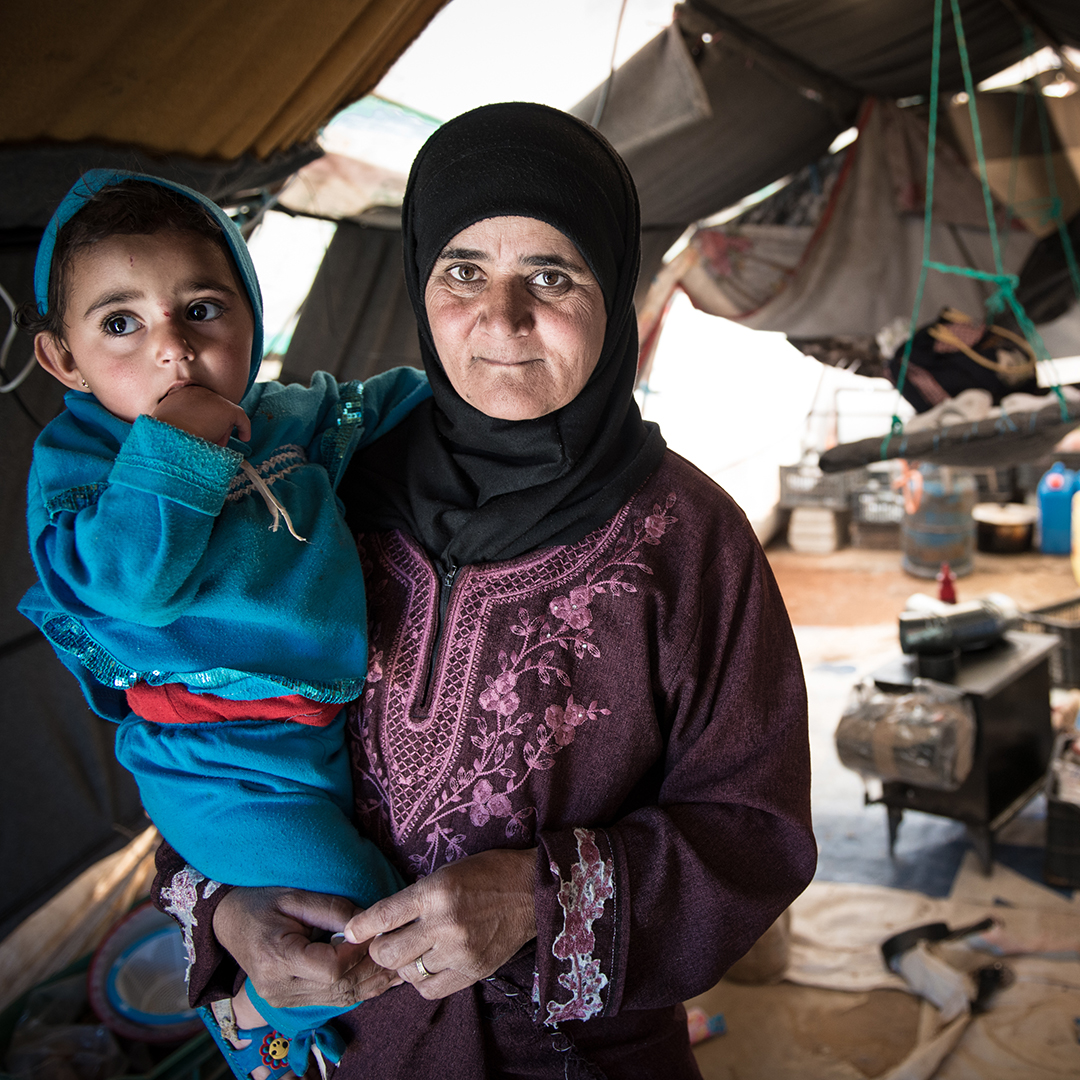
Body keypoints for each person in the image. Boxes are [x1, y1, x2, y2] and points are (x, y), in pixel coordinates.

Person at [152, 102, 817, 1079]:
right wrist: (225, 911)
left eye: (551, 276)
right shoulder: (309, 499)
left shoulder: (687, 539)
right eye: (463, 272)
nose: (501, 319)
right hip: (342, 1050)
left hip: (571, 1058)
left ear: (615, 290)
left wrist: (538, 900)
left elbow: (754, 831)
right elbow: (189, 727)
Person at [16, 171, 432, 1078]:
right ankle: (250, 1023)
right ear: (64, 361)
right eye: (120, 324)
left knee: (367, 894)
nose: (172, 347)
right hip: (214, 762)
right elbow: (131, 589)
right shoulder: (80, 465)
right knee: (361, 909)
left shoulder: (285, 419)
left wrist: (472, 392)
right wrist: (177, 447)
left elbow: (391, 401)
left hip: (312, 733)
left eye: (202, 310)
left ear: (251, 316)